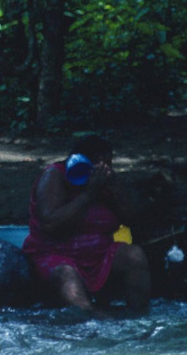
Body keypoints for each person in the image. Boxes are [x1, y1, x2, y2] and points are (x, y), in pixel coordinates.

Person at [23, 134, 150, 318]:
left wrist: (116, 190)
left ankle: (139, 316)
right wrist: (89, 194)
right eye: (99, 161)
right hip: (56, 255)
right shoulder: (55, 175)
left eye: (108, 162)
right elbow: (50, 224)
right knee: (67, 276)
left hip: (100, 255)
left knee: (134, 255)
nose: (104, 166)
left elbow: (134, 219)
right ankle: (90, 317)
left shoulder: (105, 179)